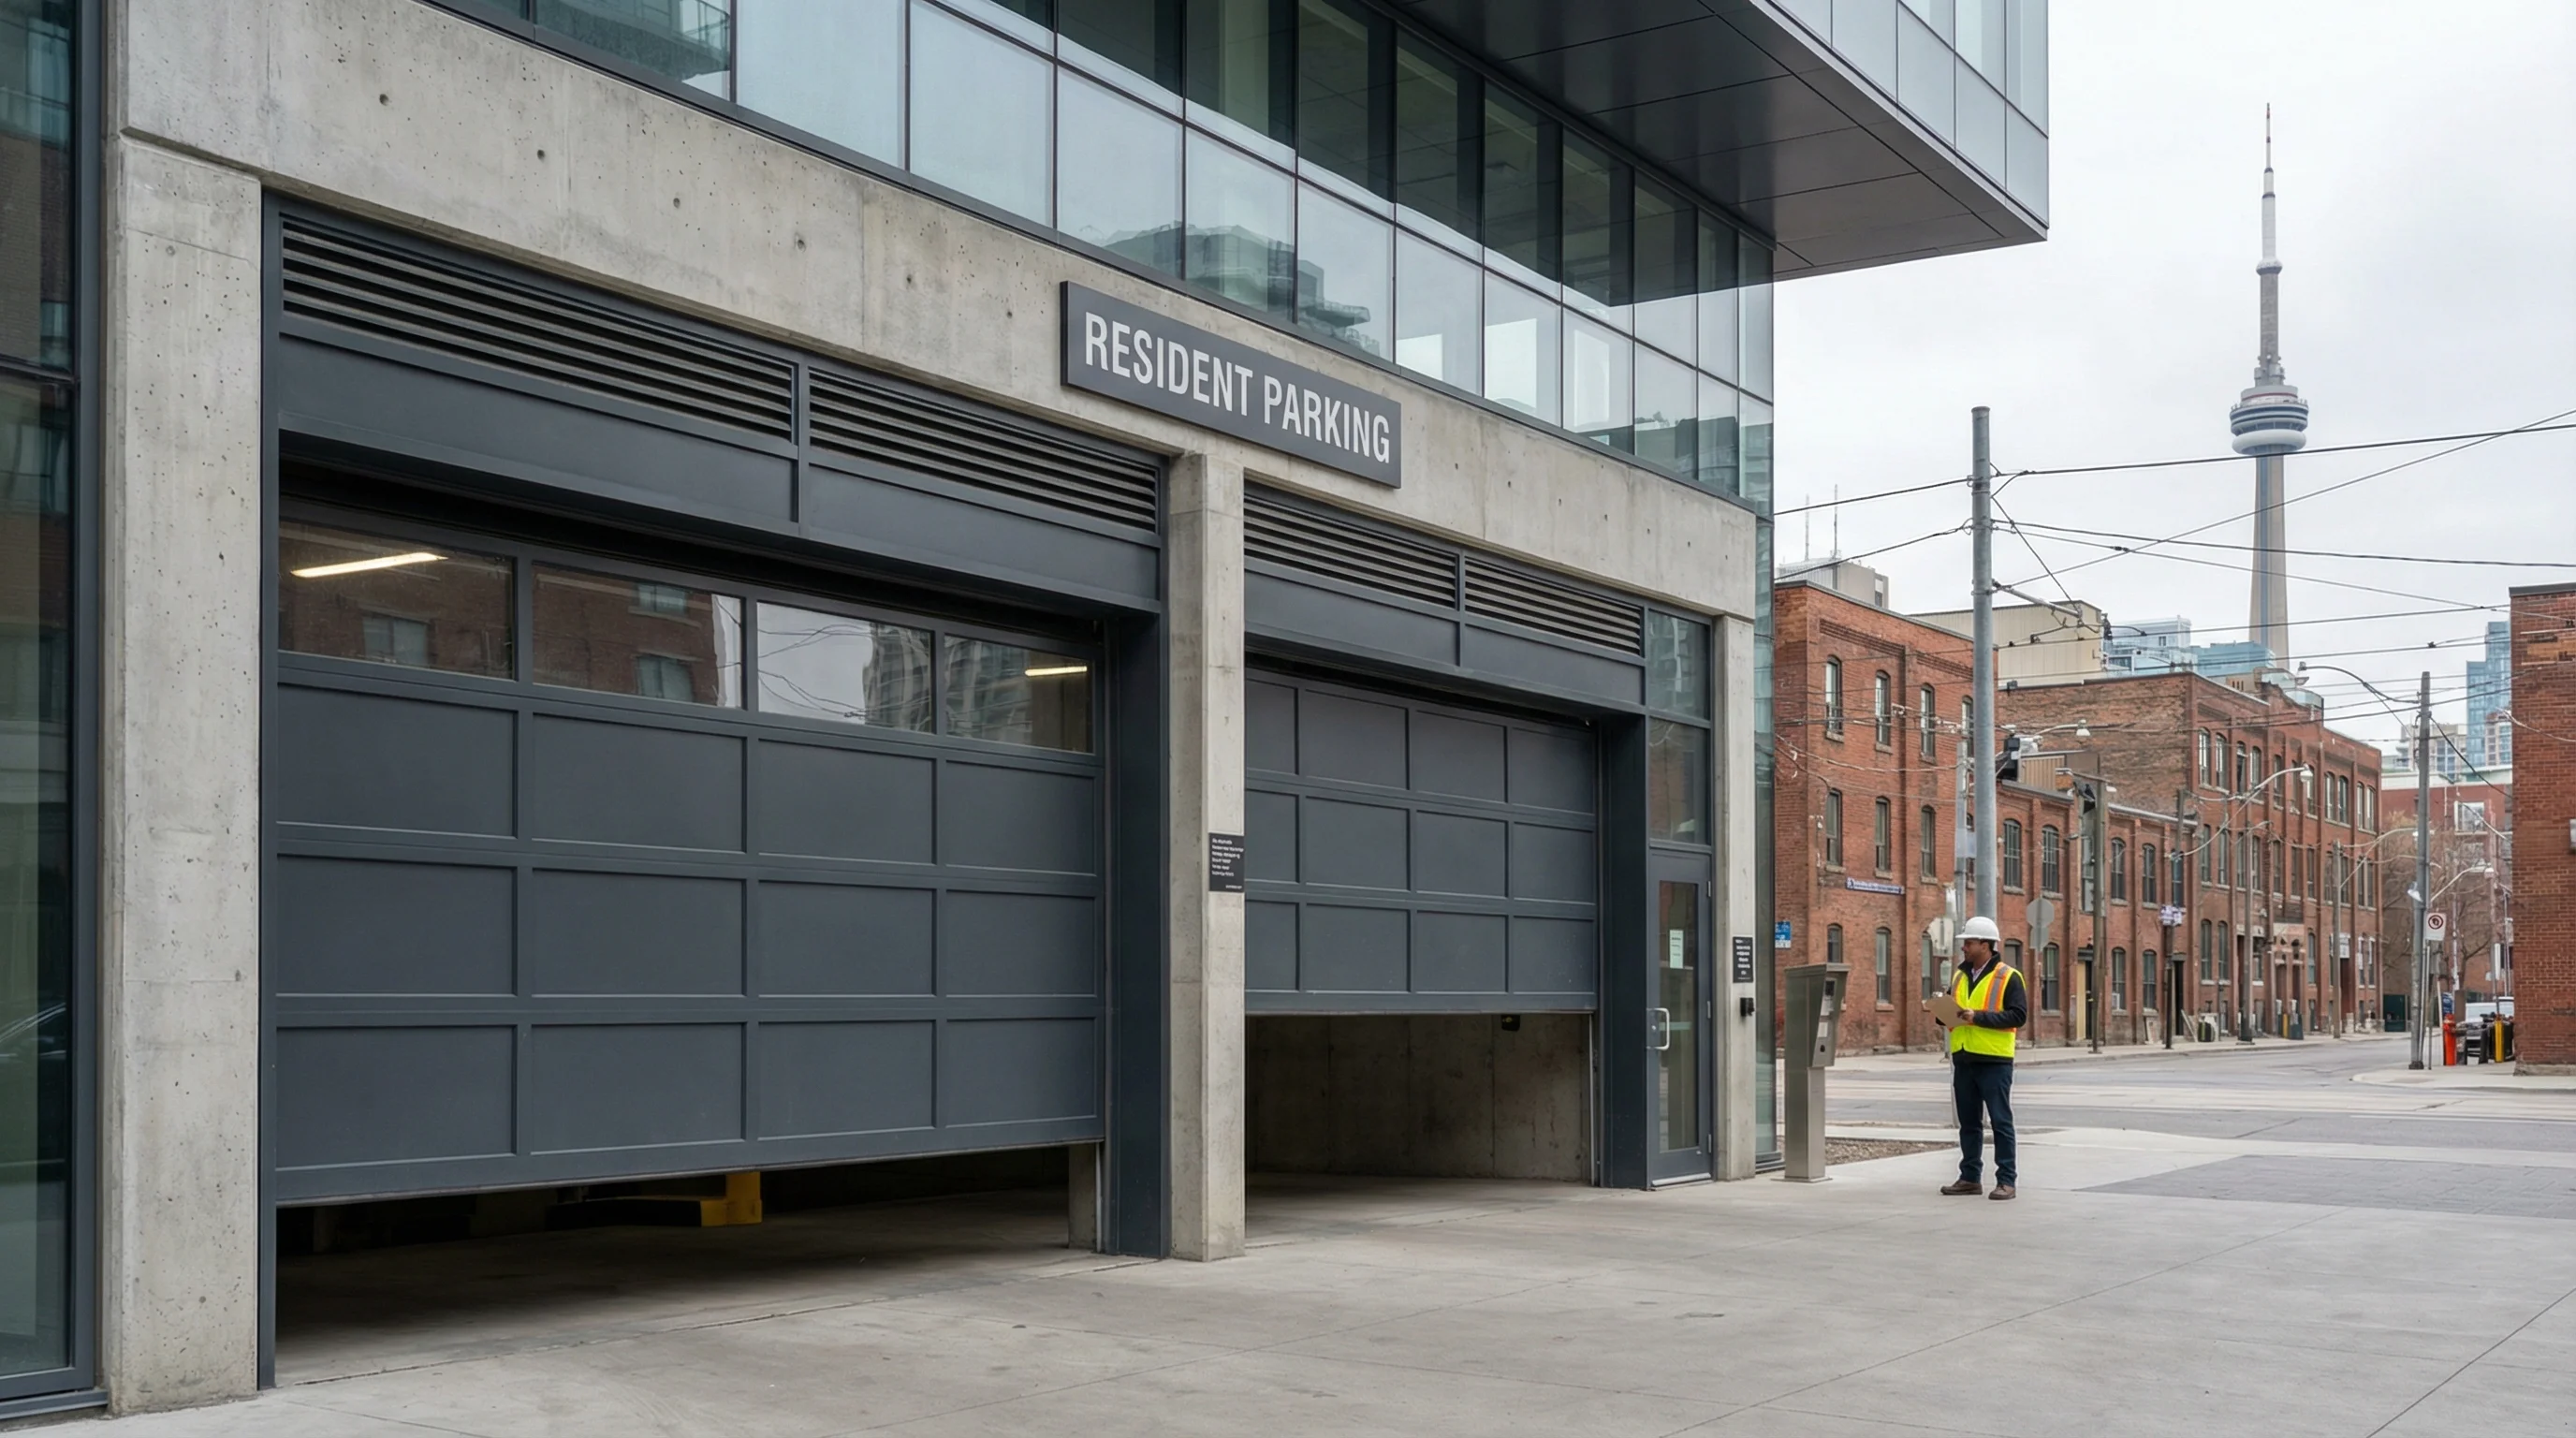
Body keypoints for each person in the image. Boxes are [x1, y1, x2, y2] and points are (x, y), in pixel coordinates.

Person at [1937, 916, 2027, 1200]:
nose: (1964, 947)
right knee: (1969, 1123)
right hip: (1964, 1058)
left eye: (1970, 942)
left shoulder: (2009, 976)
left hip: (1994, 1061)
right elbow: (1952, 1012)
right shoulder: (1960, 976)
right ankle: (1970, 1177)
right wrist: (1941, 1010)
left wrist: (1978, 1018)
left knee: (2001, 1121)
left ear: (1986, 945)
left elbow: (2018, 1015)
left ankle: (2006, 1181)